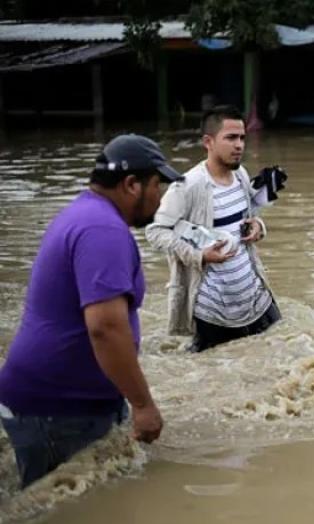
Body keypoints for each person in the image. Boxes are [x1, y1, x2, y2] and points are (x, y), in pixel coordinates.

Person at [0, 134, 178, 488]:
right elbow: (106, 327)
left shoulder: (87, 214)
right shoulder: (103, 230)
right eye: (158, 185)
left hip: (57, 405)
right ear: (131, 185)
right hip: (58, 411)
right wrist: (143, 405)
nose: (161, 198)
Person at [146, 105, 285, 352]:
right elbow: (156, 232)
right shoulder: (189, 185)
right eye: (231, 138)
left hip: (255, 297)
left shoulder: (241, 174)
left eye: (242, 137)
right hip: (213, 309)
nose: (239, 145)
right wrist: (199, 256)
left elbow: (246, 217)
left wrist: (258, 226)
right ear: (208, 142)